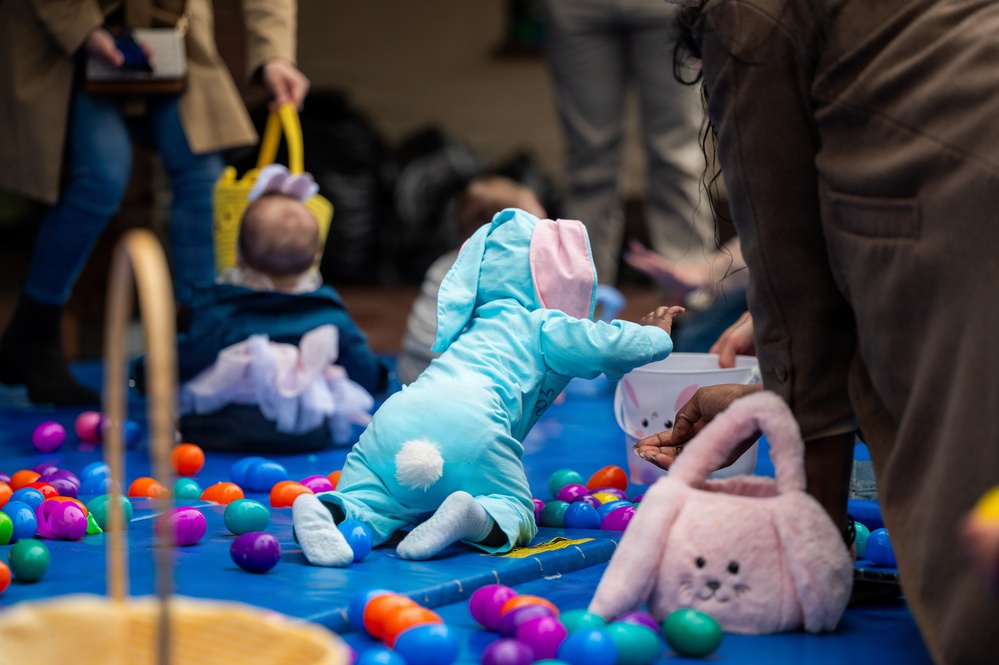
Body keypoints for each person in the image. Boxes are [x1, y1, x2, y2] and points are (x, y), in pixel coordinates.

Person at [633, 1, 999, 662]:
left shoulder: (742, 14)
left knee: (972, 574)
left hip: (968, 186)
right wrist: (764, 388)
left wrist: (814, 537)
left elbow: (787, 274)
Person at [291, 208, 684, 566]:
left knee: (375, 498)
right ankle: (472, 515)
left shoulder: (473, 322)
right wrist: (653, 336)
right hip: (474, 428)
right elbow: (608, 346)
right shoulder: (543, 325)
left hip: (396, 417)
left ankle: (328, 511)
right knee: (514, 507)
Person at [0, 0, 310, 405]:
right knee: (101, 179)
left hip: (171, 41)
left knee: (203, 174)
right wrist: (81, 28)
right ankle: (35, 330)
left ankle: (197, 338)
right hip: (75, 37)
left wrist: (273, 54)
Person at [165, 166, 390, 453]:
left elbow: (186, 357)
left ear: (237, 254)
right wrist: (380, 378)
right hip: (305, 429)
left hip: (221, 428)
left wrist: (144, 375)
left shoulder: (220, 309)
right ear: (314, 260)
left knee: (189, 410)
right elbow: (359, 361)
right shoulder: (327, 311)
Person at [541, 0, 716, 288]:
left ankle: (688, 303)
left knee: (677, 158)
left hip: (668, 6)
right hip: (574, 8)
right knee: (589, 165)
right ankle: (581, 306)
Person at [396, 174, 547, 385]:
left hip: (415, 371)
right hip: (438, 378)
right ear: (500, 235)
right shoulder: (484, 277)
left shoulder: (448, 264)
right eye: (534, 233)